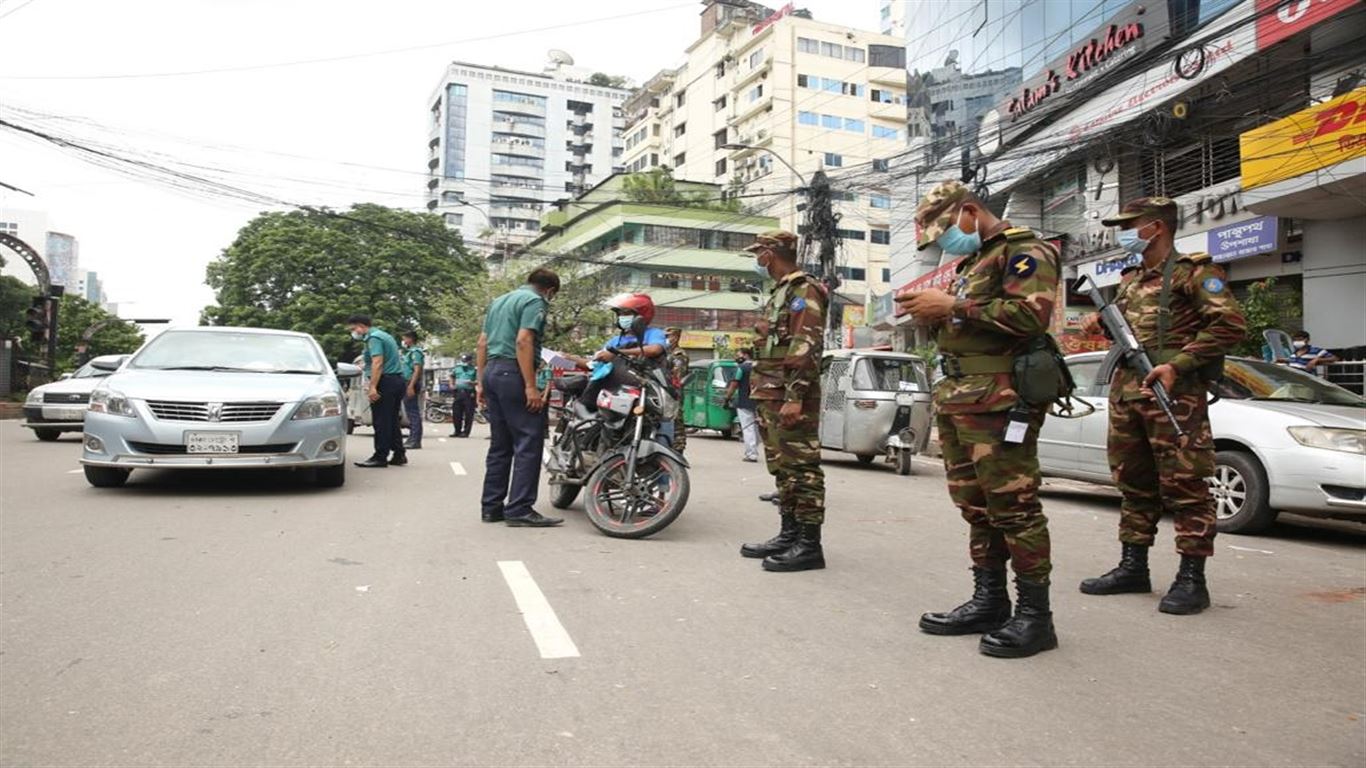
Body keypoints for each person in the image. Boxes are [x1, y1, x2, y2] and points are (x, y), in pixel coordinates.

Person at [896, 180, 1060, 658]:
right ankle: (990, 601)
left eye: (946, 230)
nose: (945, 243)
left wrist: (954, 306)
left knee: (1015, 506)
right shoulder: (971, 263)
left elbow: (1032, 316)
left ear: (970, 212)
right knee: (976, 505)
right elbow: (973, 321)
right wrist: (935, 314)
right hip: (959, 397)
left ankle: (1035, 617)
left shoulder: (1026, 250)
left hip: (1001, 400)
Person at [1079, 197, 1246, 615]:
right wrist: (1100, 325)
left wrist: (1179, 363)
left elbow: (1230, 324)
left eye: (1129, 225)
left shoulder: (1194, 273)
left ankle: (1192, 579)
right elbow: (1130, 332)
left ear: (1154, 227)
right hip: (1127, 393)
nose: (1122, 233)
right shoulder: (1133, 281)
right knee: (1133, 483)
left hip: (1175, 395)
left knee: (1187, 486)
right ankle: (1133, 567)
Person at [739, 230, 828, 573]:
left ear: (771, 253)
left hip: (790, 396)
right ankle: (789, 534)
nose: (757, 259)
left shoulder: (804, 289)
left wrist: (795, 398)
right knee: (783, 469)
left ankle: (809, 545)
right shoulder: (780, 291)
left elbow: (805, 348)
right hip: (770, 394)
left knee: (802, 470)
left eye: (759, 252)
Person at [478, 268, 563, 527]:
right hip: (513, 373)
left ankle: (491, 507)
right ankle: (519, 509)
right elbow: (524, 340)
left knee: (500, 444)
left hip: (492, 371)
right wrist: (530, 386)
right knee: (528, 441)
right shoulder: (534, 301)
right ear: (549, 290)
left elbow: (482, 343)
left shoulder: (499, 301)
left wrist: (480, 382)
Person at [347, 314, 407, 468]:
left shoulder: (373, 338)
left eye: (354, 329)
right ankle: (399, 454)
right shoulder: (384, 335)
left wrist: (373, 386)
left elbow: (378, 362)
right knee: (392, 420)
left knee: (381, 421)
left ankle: (380, 456)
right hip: (396, 381)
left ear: (361, 325)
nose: (354, 332)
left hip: (385, 382)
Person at [724, 348, 760, 462]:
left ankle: (751, 454)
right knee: (757, 428)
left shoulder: (741, 368)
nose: (737, 357)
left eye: (738, 354)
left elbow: (734, 384)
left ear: (746, 355)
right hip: (760, 402)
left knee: (747, 428)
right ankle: (754, 449)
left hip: (744, 402)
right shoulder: (760, 366)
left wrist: (727, 398)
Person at [664, 327, 690, 455]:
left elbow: (677, 375)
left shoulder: (679, 355)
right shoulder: (665, 352)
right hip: (663, 391)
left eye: (668, 336)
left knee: (677, 422)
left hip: (674, 393)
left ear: (676, 337)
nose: (666, 339)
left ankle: (679, 450)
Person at [400, 331, 425, 450]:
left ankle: (415, 440)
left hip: (411, 383)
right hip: (408, 382)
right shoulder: (409, 352)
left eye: (405, 338)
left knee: (413, 412)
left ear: (410, 338)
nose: (403, 341)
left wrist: (411, 386)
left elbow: (417, 369)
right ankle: (412, 438)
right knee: (410, 412)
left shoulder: (416, 352)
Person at [450, 353, 478, 437]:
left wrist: (472, 382)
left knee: (469, 413)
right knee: (456, 413)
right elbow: (452, 376)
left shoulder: (474, 369)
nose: (465, 362)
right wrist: (451, 385)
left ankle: (466, 432)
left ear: (470, 361)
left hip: (469, 392)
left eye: (466, 361)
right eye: (463, 361)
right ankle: (457, 431)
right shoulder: (457, 368)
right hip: (458, 392)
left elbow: (479, 380)